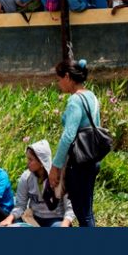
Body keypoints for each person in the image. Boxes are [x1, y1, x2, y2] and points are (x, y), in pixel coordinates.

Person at [48, 59, 101, 227]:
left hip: (79, 162)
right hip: (92, 159)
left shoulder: (75, 101)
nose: (58, 83)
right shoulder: (91, 96)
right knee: (86, 210)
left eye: (59, 78)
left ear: (67, 77)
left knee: (82, 213)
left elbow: (68, 136)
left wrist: (55, 167)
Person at [0, 139, 75, 227]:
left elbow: (70, 208)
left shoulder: (59, 178)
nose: (28, 163)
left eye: (31, 160)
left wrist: (64, 224)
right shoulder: (26, 177)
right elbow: (20, 205)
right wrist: (9, 219)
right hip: (33, 219)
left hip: (56, 220)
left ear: (42, 162)